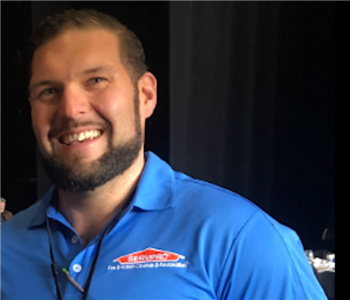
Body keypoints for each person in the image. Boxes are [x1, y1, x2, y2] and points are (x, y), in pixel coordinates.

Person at [0, 9, 327, 300]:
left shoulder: (242, 239)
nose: (71, 109)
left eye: (95, 80)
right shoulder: (6, 247)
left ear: (146, 95)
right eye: (49, 91)